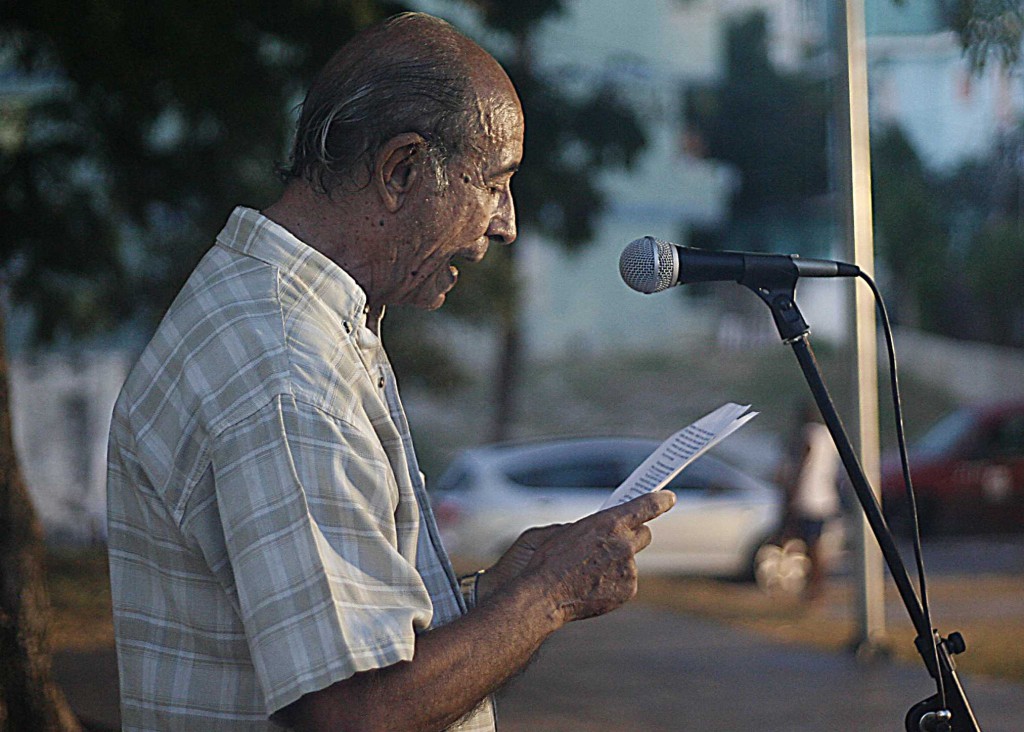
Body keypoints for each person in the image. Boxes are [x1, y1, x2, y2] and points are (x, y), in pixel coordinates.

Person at [106, 12, 675, 731]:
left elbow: (339, 638)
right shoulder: (287, 373)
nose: (506, 225)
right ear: (401, 171)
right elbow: (357, 712)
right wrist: (549, 596)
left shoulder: (282, 317)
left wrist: (504, 588)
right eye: (494, 184)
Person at [776, 402, 842, 601]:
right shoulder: (827, 435)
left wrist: (791, 494)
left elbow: (801, 466)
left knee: (810, 544)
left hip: (808, 498)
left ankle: (815, 586)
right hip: (826, 496)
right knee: (815, 543)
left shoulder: (807, 435)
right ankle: (815, 584)